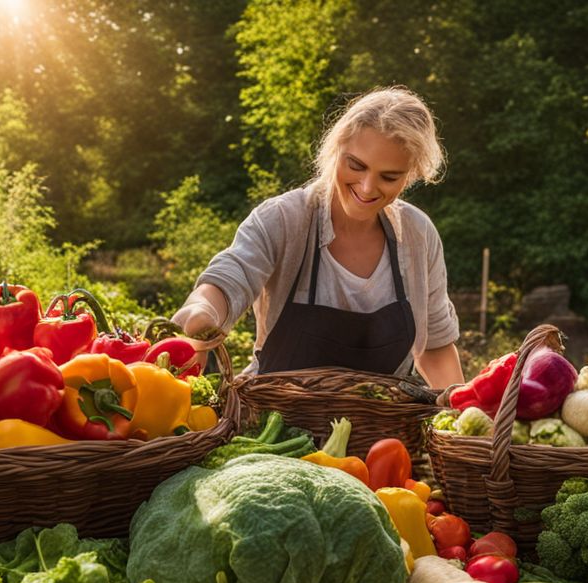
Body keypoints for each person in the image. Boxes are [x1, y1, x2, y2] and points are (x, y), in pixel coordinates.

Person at [170, 86, 465, 390]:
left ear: (411, 174)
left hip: (381, 428)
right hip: (274, 425)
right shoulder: (285, 219)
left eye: (388, 177)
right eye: (356, 165)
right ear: (335, 149)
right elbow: (230, 276)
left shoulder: (418, 234)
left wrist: (461, 413)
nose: (366, 187)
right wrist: (201, 312)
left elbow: (435, 346)